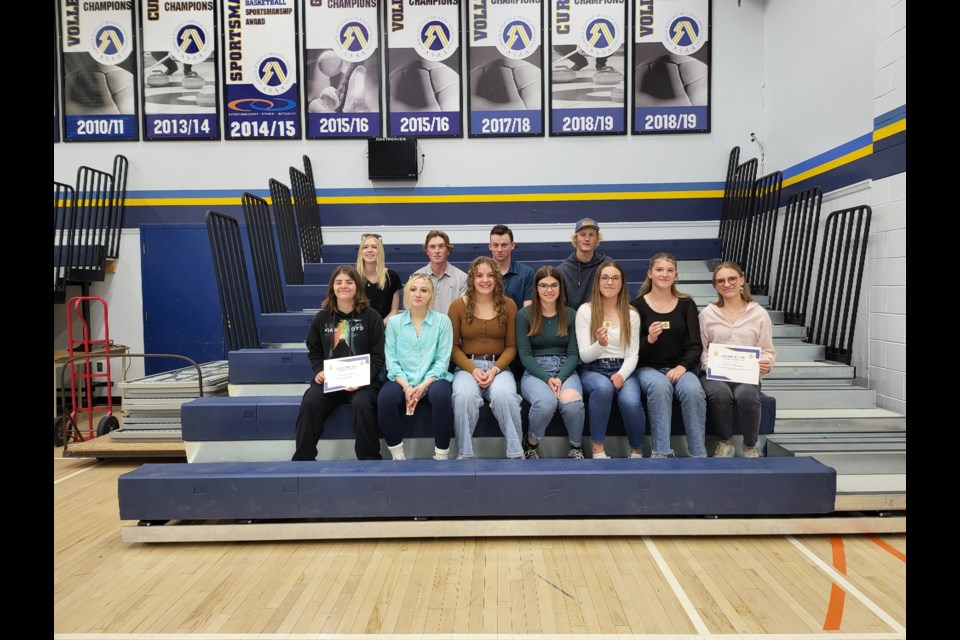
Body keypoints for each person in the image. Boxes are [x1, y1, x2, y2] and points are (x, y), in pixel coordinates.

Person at [291, 266, 385, 461]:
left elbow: (378, 355)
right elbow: (314, 349)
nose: (344, 286)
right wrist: (318, 370)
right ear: (332, 287)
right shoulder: (322, 318)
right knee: (310, 403)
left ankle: (369, 460)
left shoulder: (371, 316)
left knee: (362, 405)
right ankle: (303, 458)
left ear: (357, 287)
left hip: (363, 382)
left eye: (349, 282)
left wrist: (364, 378)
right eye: (339, 282)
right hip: (330, 381)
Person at [630, 253, 707, 458]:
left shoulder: (686, 304)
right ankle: (661, 453)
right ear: (650, 274)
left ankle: (699, 455)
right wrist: (650, 340)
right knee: (660, 385)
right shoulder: (636, 306)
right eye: (659, 270)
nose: (664, 274)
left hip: (680, 367)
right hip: (648, 368)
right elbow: (632, 350)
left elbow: (695, 345)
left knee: (692, 390)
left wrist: (682, 367)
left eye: (669, 271)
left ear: (675, 276)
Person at [699, 262, 777, 458]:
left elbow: (767, 350)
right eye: (721, 281)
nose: (727, 284)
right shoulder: (707, 314)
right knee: (720, 393)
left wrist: (765, 364)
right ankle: (725, 443)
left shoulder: (759, 314)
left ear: (741, 280)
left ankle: (750, 446)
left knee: (747, 395)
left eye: (732, 279)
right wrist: (714, 366)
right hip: (715, 374)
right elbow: (701, 350)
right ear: (715, 286)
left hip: (747, 374)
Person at [449, 257, 523, 459]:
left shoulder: (509, 305)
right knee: (464, 397)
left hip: (498, 367)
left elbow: (511, 347)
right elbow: (454, 348)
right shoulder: (457, 306)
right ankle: (465, 454)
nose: (485, 280)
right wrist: (472, 369)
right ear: (472, 278)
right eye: (479, 275)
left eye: (490, 275)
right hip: (467, 367)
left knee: (505, 396)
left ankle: (517, 453)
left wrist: (494, 369)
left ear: (497, 279)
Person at [379, 275, 455, 460]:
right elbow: (392, 361)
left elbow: (442, 361)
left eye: (424, 290)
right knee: (385, 398)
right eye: (413, 289)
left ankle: (441, 455)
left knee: (441, 395)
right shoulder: (395, 323)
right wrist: (406, 387)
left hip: (434, 378)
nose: (418, 294)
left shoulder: (443, 321)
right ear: (407, 293)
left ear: (431, 295)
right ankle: (398, 456)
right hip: (401, 378)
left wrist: (422, 387)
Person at [576, 261, 645, 459]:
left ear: (622, 283)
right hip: (592, 369)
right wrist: (600, 344)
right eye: (604, 277)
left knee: (631, 401)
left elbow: (633, 354)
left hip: (622, 367)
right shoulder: (585, 311)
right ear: (597, 282)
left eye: (615, 278)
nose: (609, 282)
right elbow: (584, 355)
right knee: (603, 389)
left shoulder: (631, 314)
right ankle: (598, 449)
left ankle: (636, 452)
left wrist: (622, 375)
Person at [516, 266, 585, 459]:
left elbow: (573, 354)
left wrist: (560, 378)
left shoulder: (570, 314)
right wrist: (548, 379)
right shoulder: (524, 315)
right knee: (545, 403)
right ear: (536, 288)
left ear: (560, 287)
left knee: (572, 403)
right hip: (536, 370)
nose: (549, 290)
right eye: (544, 285)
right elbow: (525, 355)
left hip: (565, 369)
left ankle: (576, 447)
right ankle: (531, 444)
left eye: (554, 285)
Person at [557, 218, 608, 310]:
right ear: (576, 238)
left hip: (603, 318)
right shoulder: (562, 271)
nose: (587, 239)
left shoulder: (608, 266)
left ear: (597, 239)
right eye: (582, 235)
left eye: (591, 235)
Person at [413, 230, 468, 314]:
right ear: (427, 251)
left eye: (441, 246)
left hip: (453, 326)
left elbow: (463, 311)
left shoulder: (462, 278)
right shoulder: (415, 277)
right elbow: (413, 310)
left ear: (448, 250)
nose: (437, 251)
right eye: (432, 247)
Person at [355, 232, 401, 326]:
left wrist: (378, 327)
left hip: (384, 329)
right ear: (361, 252)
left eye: (374, 247)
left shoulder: (391, 276)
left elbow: (394, 311)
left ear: (380, 251)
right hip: (359, 329)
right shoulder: (353, 277)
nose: (369, 250)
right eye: (365, 247)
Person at [489, 224, 535, 310]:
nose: (499, 250)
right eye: (495, 245)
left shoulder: (527, 273)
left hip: (517, 323)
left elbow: (528, 312)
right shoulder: (481, 275)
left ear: (512, 245)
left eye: (504, 245)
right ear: (490, 246)